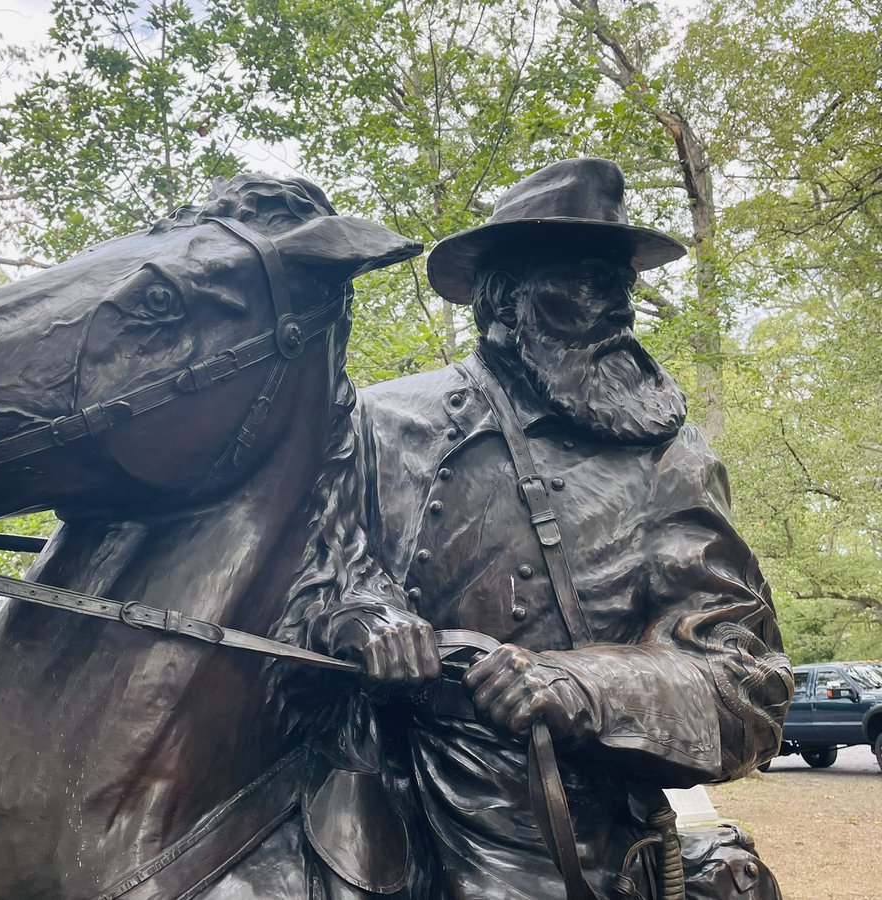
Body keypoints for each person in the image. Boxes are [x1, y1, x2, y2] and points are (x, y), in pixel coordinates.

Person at [302, 158, 793, 899]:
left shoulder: (668, 456)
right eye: (588, 281)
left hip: (558, 832)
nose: (619, 308)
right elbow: (305, 576)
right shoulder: (375, 423)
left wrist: (580, 683)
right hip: (353, 796)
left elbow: (747, 683)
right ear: (507, 297)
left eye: (622, 285)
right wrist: (362, 615)